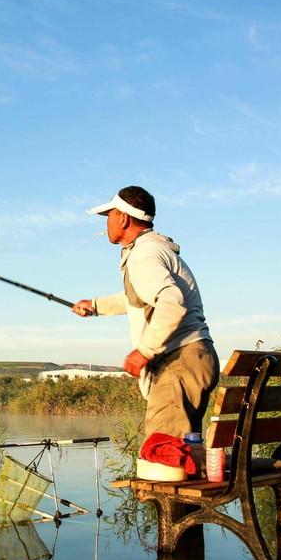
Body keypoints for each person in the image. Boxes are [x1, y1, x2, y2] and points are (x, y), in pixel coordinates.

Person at [71, 186, 219, 439]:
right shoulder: (154, 249)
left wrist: (144, 351)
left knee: (164, 457)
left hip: (178, 362)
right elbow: (142, 298)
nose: (107, 222)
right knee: (184, 454)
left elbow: (172, 301)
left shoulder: (143, 254)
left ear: (123, 218)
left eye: (109, 215)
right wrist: (96, 306)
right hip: (194, 358)